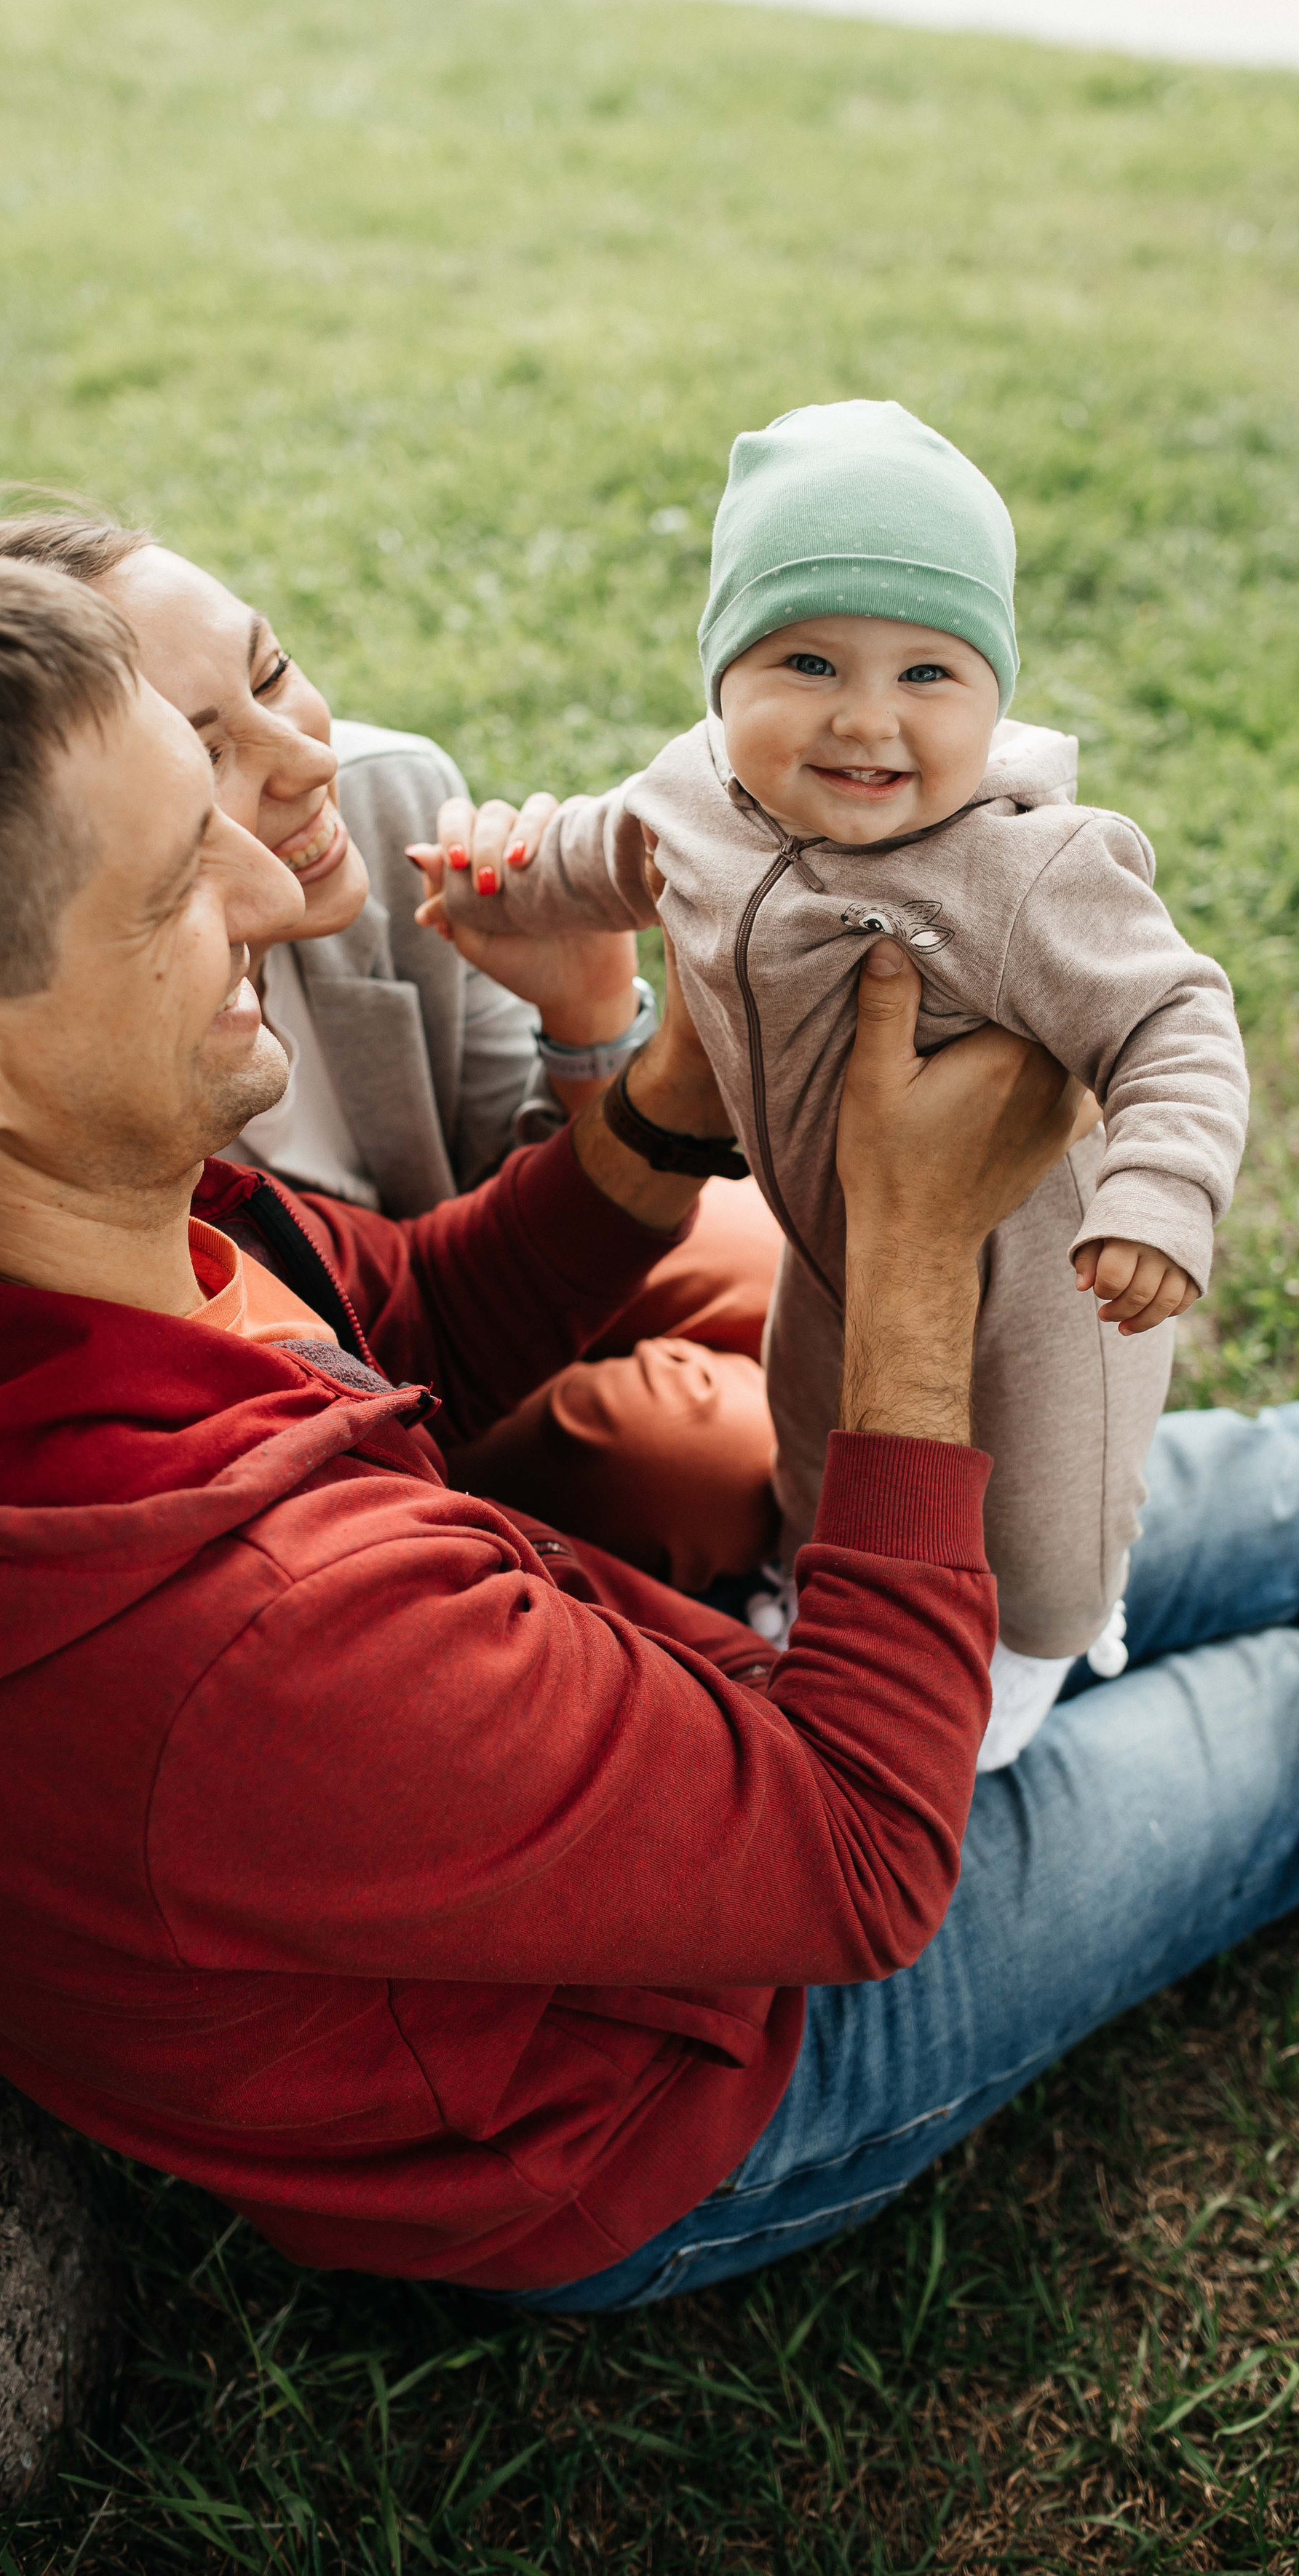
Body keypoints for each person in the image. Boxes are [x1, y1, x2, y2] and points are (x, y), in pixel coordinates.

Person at [0, 550, 1299, 2313]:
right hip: (677, 2097)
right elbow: (864, 1860)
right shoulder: (241, 1643)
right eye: (171, 887)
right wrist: (912, 1266)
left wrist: (668, 1085)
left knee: (1280, 1492)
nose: (274, 890)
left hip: (633, 1724)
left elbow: (407, 1323)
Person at [439, 402, 1250, 1761]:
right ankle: (820, 1589)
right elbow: (606, 852)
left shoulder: (1025, 870)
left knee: (1044, 1516)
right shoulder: (696, 796)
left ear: (995, 694)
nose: (868, 718)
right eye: (808, 661)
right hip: (833, 1243)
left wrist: (1160, 1191)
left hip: (1047, 1284)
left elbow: (1175, 1015)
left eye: (930, 673)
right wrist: (503, 880)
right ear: (723, 676)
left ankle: (1040, 1653)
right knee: (815, 1436)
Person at [0, 509, 784, 1594]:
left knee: (785, 1263)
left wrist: (587, 1019)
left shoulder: (386, 799)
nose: (309, 757)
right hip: (350, 1392)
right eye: (204, 753)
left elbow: (531, 1218)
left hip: (469, 1290)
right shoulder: (86, 1053)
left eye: (273, 669)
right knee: (698, 1460)